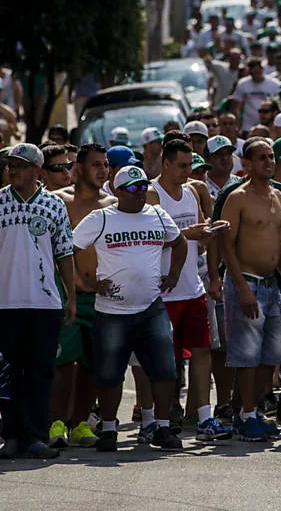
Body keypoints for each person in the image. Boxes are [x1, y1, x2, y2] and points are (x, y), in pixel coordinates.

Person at [72, 165, 187, 452]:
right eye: (133, 188)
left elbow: (180, 243)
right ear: (118, 191)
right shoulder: (101, 218)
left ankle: (162, 426)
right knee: (110, 373)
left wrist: (173, 275)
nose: (140, 193)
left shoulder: (158, 215)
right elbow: (67, 248)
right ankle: (109, 429)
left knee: (165, 370)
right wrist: (84, 284)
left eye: (143, 187)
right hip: (112, 311)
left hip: (151, 308)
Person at [218, 138, 281, 442]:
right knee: (247, 356)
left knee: (270, 355)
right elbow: (226, 245)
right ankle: (246, 414)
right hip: (247, 283)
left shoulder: (279, 195)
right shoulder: (236, 198)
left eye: (271, 156)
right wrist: (242, 288)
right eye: (261, 157)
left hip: (271, 285)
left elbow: (277, 245)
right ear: (248, 164)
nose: (268, 161)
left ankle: (258, 413)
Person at [151, 139, 231, 442]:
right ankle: (160, 417)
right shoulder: (151, 193)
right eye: (182, 166)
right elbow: (150, 236)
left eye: (190, 165)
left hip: (191, 288)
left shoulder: (194, 191)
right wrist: (189, 233)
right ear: (166, 163)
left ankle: (204, 418)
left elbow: (203, 237)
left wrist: (213, 274)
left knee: (202, 352)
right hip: (162, 290)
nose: (188, 171)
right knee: (164, 360)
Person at [0, 144, 76, 459]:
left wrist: (70, 296)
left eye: (19, 165)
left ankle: (35, 435)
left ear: (36, 170)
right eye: (10, 165)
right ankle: (12, 435)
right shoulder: (0, 201)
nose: (12, 170)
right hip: (5, 303)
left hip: (44, 304)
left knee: (40, 371)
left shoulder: (54, 205)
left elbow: (64, 252)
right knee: (7, 372)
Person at [48, 144, 114, 450]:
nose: (102, 170)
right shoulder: (59, 202)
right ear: (79, 169)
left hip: (102, 298)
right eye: (96, 165)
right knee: (64, 363)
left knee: (93, 364)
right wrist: (74, 286)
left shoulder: (112, 204)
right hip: (66, 295)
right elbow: (57, 250)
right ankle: (55, 423)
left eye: (105, 165)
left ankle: (79, 423)